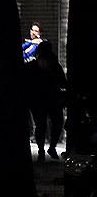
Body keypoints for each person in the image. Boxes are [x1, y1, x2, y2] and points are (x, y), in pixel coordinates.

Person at [23, 22, 67, 161]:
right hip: (47, 99)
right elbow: (63, 82)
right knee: (51, 123)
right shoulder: (53, 66)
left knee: (43, 125)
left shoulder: (34, 66)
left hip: (41, 99)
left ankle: (45, 149)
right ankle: (47, 148)